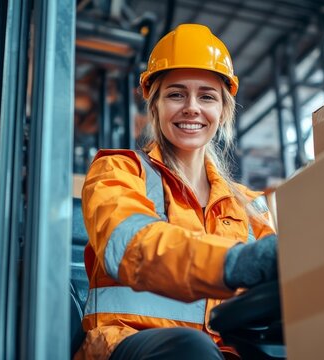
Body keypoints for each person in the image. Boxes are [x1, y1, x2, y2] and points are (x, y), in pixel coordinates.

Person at [74, 23, 278, 360]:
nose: (192, 107)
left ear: (223, 110)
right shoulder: (119, 171)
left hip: (223, 352)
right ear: (153, 104)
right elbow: (133, 248)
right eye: (176, 94)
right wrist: (234, 262)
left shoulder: (251, 205)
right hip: (128, 344)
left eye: (207, 96)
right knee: (190, 349)